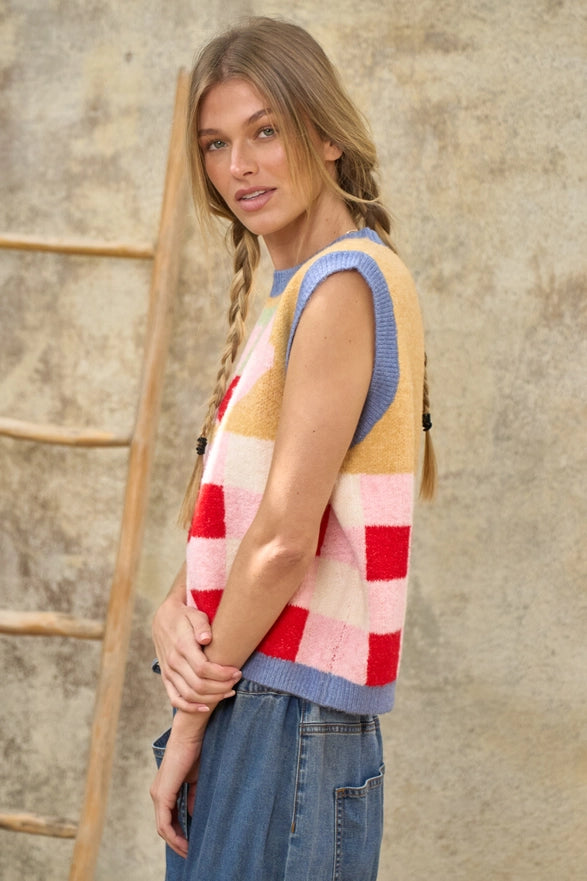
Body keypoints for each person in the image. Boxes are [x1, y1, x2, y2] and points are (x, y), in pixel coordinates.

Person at [150, 15, 436, 881]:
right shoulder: (297, 291)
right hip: (256, 685)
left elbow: (280, 541)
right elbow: (239, 507)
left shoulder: (344, 283)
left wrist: (193, 714)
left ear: (325, 137)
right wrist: (172, 605)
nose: (239, 165)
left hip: (284, 704)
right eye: (215, 143)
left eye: (264, 132)